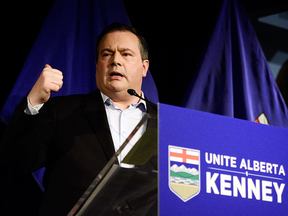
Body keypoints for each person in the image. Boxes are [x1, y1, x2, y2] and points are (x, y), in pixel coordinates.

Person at [0, 22, 157, 215]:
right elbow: (18, 160)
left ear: (144, 67)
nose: (115, 60)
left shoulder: (169, 124)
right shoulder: (63, 112)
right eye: (106, 54)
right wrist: (34, 100)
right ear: (97, 65)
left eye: (126, 54)